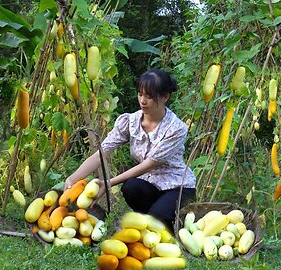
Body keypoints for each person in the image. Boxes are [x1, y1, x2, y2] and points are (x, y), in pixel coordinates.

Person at [64, 69, 196, 229]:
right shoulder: (130, 121)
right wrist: (73, 178)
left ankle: (164, 219)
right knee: (131, 187)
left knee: (157, 218)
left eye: (149, 96)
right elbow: (103, 152)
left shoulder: (176, 128)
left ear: (165, 97)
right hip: (150, 184)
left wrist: (109, 183)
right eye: (140, 94)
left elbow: (149, 164)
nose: (143, 101)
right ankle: (154, 220)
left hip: (177, 187)